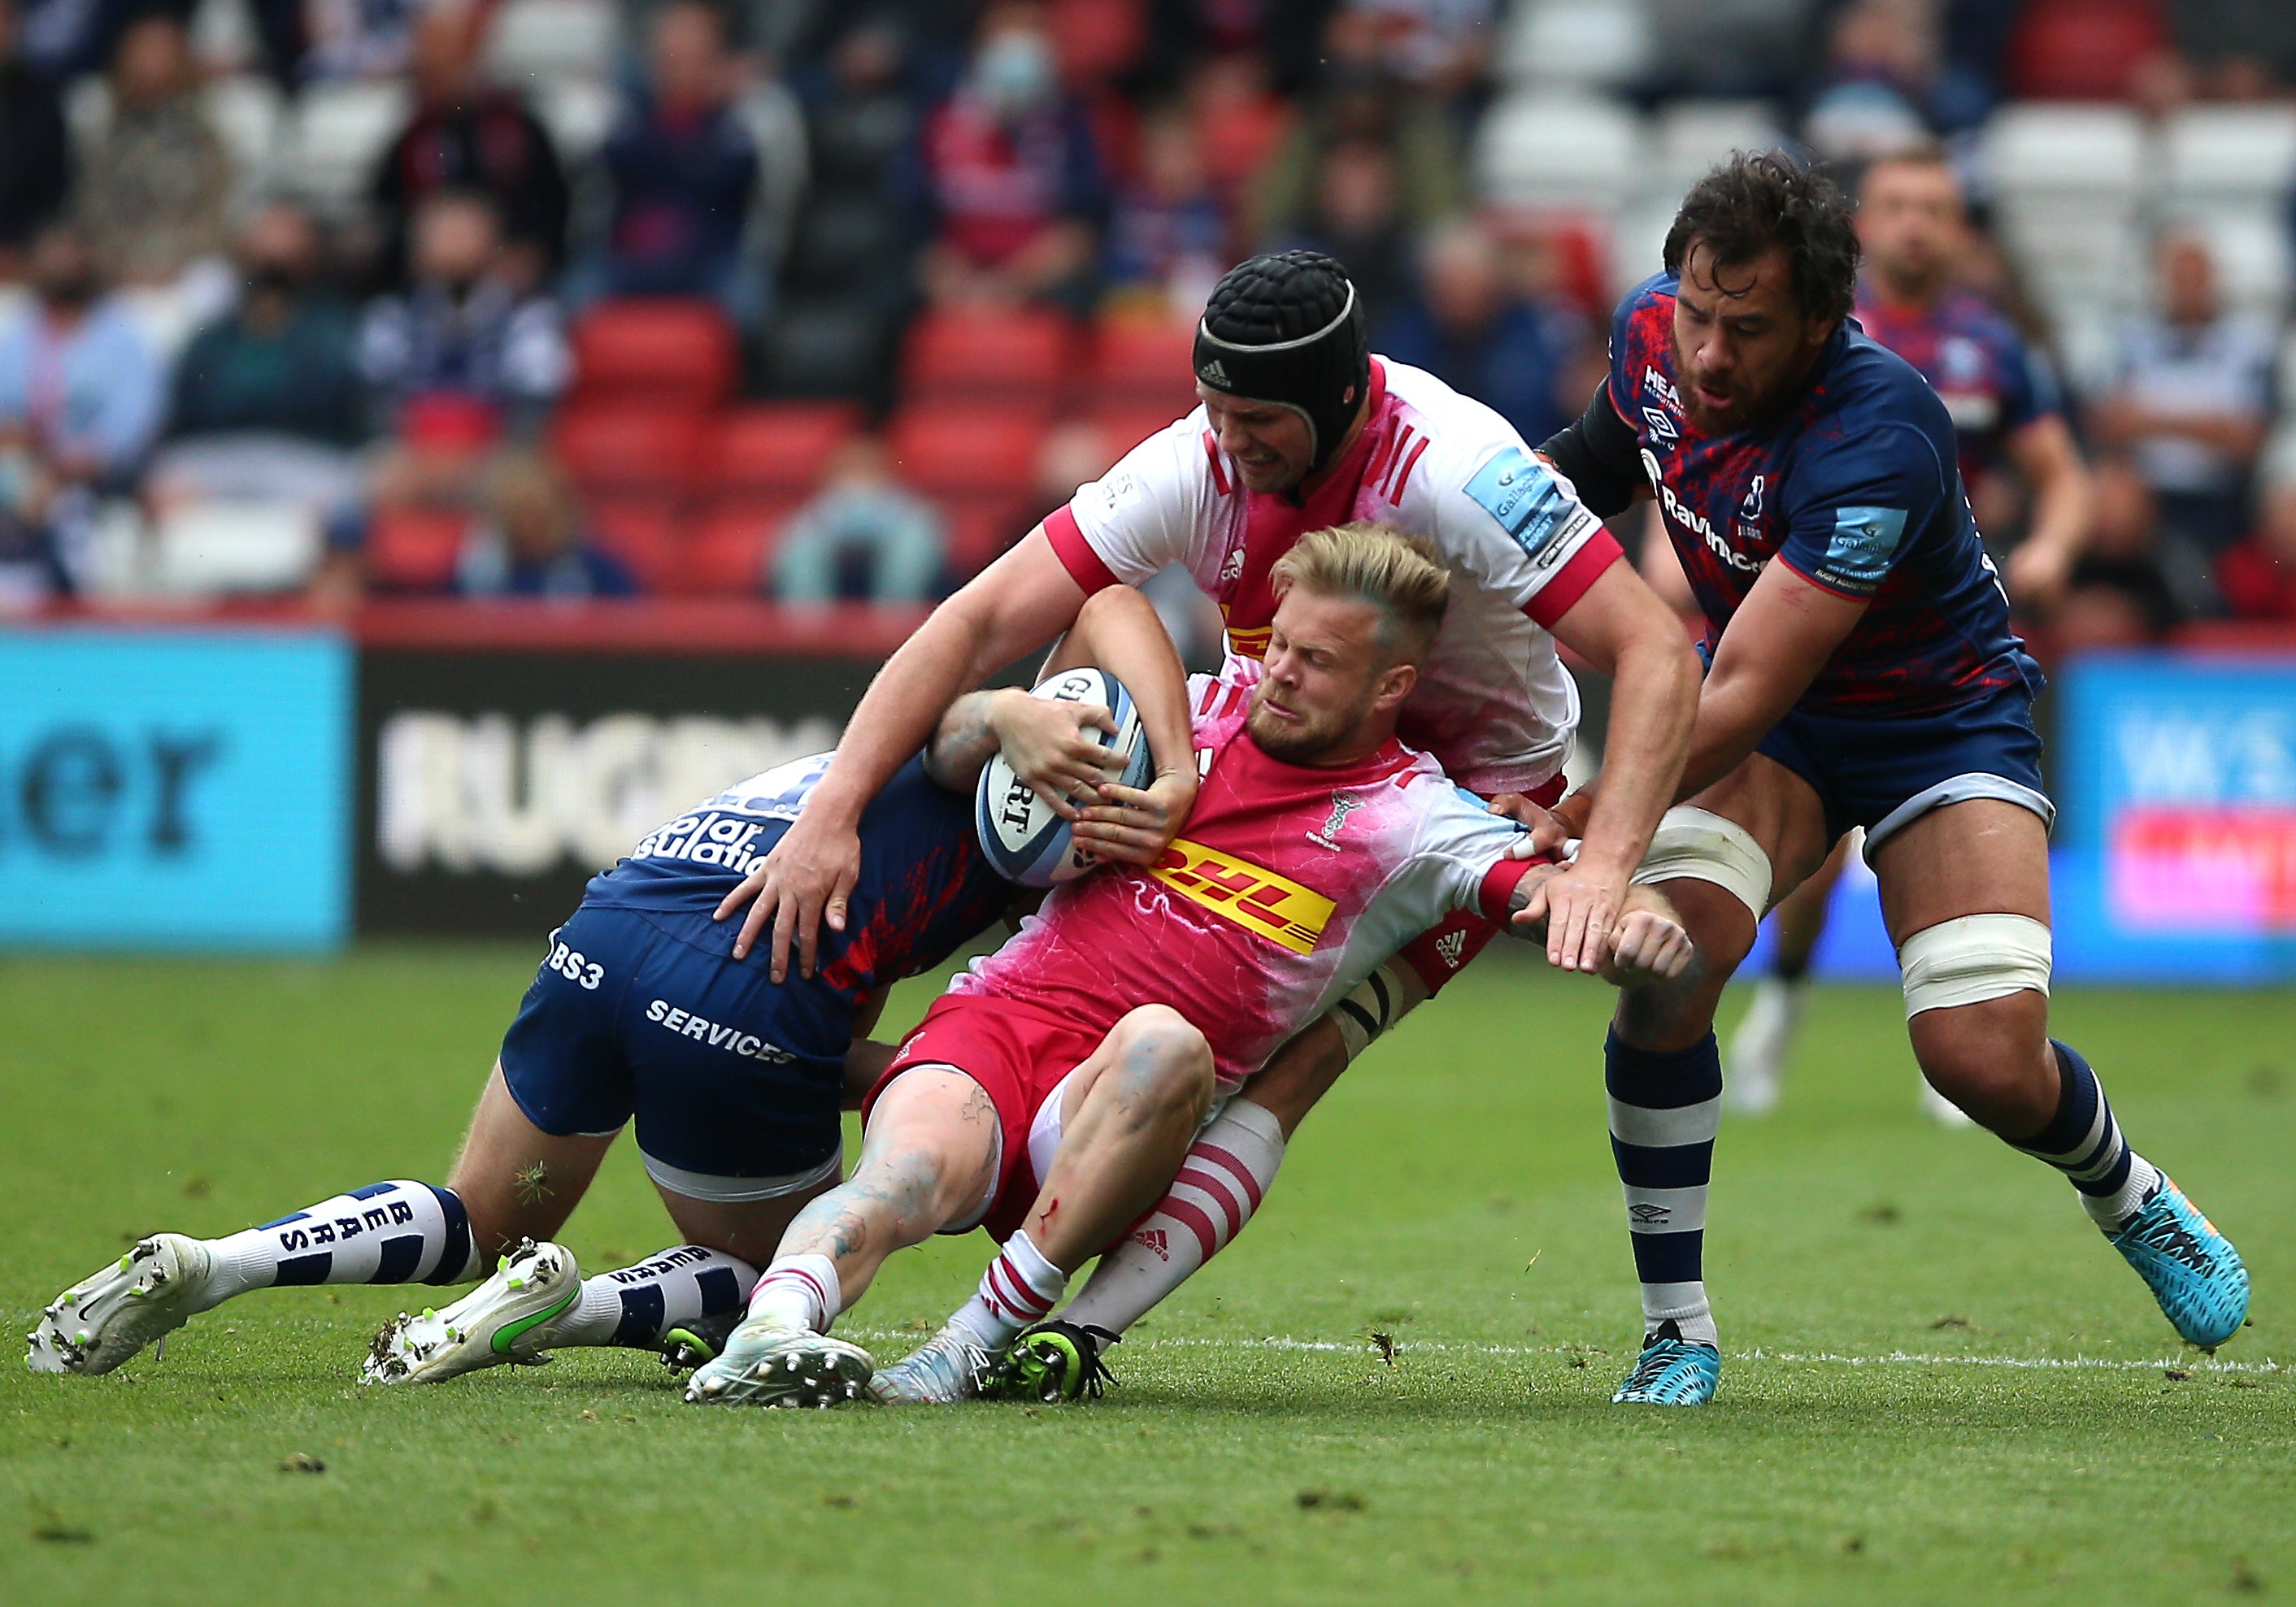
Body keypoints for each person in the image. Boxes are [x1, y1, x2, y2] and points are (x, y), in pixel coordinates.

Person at [713, 248, 1700, 1395]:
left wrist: (1603, 870)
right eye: (1212, 409)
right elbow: (997, 616)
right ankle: (812, 1225)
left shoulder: (1460, 470)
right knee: (1071, 998)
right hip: (1253, 749)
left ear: (1339, 398)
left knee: (1299, 1059)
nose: (1226, 441)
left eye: (1256, 420)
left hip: (1474, 789)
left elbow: (1653, 652)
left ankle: (1038, 1331)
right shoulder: (1200, 484)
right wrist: (836, 812)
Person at [25, 585, 1188, 1381]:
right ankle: (568, 1306)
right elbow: (1087, 623)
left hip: (618, 920)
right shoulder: (1016, 822)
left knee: (481, 1215)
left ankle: (220, 1263)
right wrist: (958, 1092)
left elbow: (1091, 616)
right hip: (746, 988)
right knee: (779, 1265)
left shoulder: (938, 756)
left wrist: (1012, 708)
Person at [1533, 152, 2249, 1406]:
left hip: (1937, 721)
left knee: (1981, 1058)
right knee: (1666, 973)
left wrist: (1596, 817)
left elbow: (1744, 690)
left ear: (1821, 321)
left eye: (1748, 329)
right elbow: (1585, 468)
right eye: (1698, 313)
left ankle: (2127, 1191)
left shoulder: (1883, 429)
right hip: (1781, 728)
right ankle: (1675, 1329)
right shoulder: (1651, 335)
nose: (1708, 354)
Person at [1726, 143, 2097, 1121]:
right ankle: (1783, 1003)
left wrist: (2052, 545)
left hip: (1937, 639)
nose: (1915, 225)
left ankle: (1966, 1033)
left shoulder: (1990, 348)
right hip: (1815, 618)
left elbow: (2063, 475)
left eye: (1933, 208)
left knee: (1952, 846)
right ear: (1864, 225)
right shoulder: (1818, 335)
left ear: (1957, 229)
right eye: (1896, 205)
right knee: (1811, 866)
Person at [2090, 231, 2276, 609]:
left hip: (2223, 496)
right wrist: (2208, 425)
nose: (2187, 286)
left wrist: (2150, 420)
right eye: (2178, 276)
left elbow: (2248, 438)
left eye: (2196, 276)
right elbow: (2106, 423)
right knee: (2112, 500)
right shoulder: (2131, 340)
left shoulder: (2250, 344)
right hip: (2148, 494)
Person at [0, 221, 163, 599]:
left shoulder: (121, 338)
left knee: (61, 503)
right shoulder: (19, 336)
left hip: (94, 476)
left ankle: (66, 591)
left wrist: (69, 464)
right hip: (23, 468)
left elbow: (132, 423)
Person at [915, 0, 1107, 311]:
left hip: (1041, 286)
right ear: (981, 39)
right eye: (1008, 27)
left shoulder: (1072, 122)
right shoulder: (939, 115)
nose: (1019, 41)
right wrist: (954, 282)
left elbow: (1083, 226)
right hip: (952, 284)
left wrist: (1012, 286)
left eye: (1031, 28)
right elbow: (913, 224)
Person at [369, 3, 569, 293]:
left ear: (471, 60)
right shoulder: (414, 136)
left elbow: (552, 204)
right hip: (430, 283)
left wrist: (531, 251)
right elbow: (388, 210)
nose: (437, 77)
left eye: (448, 63)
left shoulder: (516, 127)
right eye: (428, 68)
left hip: (512, 277)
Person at [592, 0, 767, 328]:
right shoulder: (630, 118)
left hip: (709, 261)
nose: (682, 65)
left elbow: (729, 178)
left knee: (748, 304)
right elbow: (619, 168)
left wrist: (709, 115)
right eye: (672, 56)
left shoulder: (736, 123)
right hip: (631, 259)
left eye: (694, 56)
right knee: (576, 296)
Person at [771, 433, 947, 605]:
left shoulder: (911, 511)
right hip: (829, 563)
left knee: (914, 541)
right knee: (803, 544)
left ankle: (897, 616)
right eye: (852, 470)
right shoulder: (816, 513)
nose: (860, 480)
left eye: (869, 470)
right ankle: (805, 618)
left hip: (897, 580)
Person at [453, 449, 638, 600]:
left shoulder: (596, 570)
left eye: (534, 514)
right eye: (516, 514)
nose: (526, 526)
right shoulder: (471, 573)